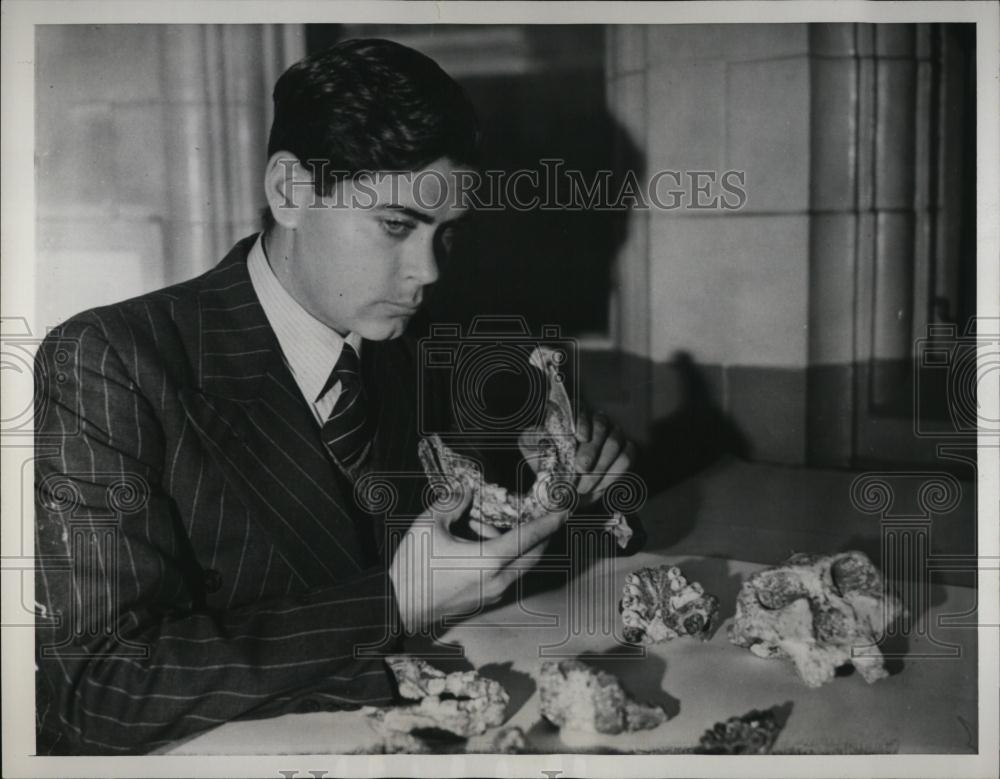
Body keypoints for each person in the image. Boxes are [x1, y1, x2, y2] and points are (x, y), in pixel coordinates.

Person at [33, 38, 636, 755]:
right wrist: (392, 602)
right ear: (290, 191)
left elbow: (499, 565)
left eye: (446, 235)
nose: (427, 271)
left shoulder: (416, 348)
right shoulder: (108, 362)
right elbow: (91, 688)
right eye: (395, 226)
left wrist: (566, 481)